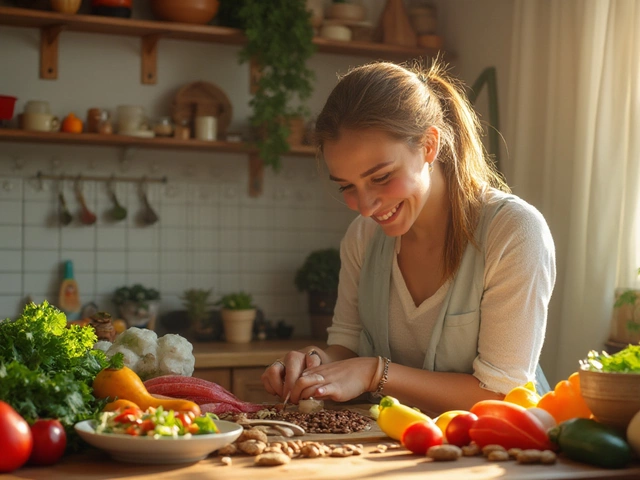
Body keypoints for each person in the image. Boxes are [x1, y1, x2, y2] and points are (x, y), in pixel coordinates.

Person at [261, 60, 556, 417]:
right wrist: (314, 364)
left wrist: (375, 373)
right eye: (347, 187)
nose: (366, 207)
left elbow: (500, 397)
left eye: (381, 177)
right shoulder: (363, 237)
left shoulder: (513, 232)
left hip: (503, 455)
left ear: (429, 146)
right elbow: (348, 346)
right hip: (399, 448)